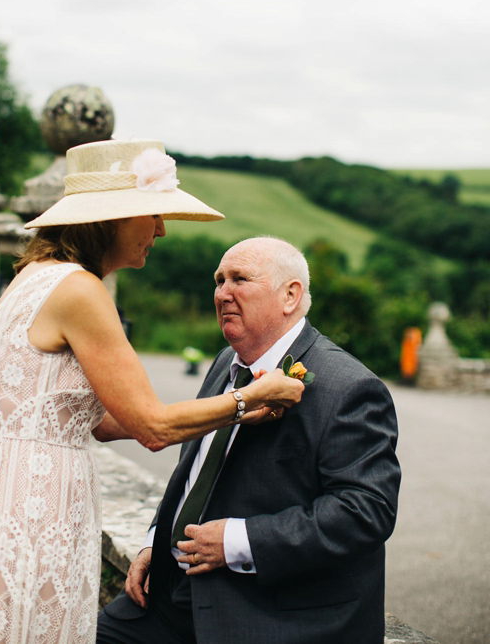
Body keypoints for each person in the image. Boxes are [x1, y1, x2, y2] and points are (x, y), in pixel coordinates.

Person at [0, 141, 304, 644]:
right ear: (111, 217)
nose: (161, 229)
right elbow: (151, 427)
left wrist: (229, 416)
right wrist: (253, 398)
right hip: (32, 504)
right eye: (153, 214)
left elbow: (86, 417)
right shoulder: (80, 290)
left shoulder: (32, 277)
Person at [97, 236, 401, 644]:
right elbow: (195, 469)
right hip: (169, 596)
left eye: (240, 279)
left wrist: (237, 542)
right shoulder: (226, 362)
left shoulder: (349, 386)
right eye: (219, 281)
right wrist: (157, 540)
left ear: (290, 295)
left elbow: (367, 510)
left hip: (265, 609)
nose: (223, 292)